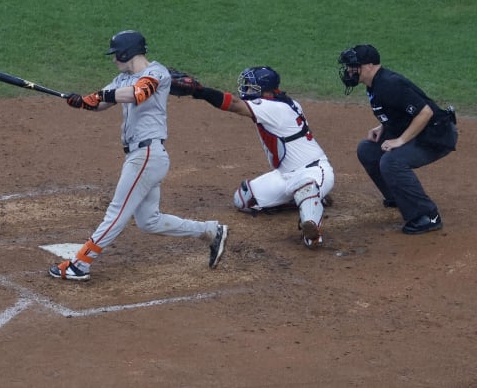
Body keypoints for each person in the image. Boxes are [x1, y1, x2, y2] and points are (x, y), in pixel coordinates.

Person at [49, 30, 228, 281]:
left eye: (115, 55)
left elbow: (138, 94)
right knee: (148, 221)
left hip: (146, 155)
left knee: (117, 212)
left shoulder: (156, 73)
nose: (113, 60)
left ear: (126, 52)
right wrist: (80, 101)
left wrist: (100, 95)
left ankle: (80, 264)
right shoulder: (122, 79)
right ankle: (210, 231)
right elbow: (100, 102)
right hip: (141, 156)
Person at [171, 66, 335, 248]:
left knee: (305, 187)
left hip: (314, 171)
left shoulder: (274, 108)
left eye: (251, 86)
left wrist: (200, 91)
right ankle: (309, 199)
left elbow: (233, 104)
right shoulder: (282, 102)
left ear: (264, 90)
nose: (246, 90)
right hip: (285, 175)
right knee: (243, 199)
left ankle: (312, 233)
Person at [338, 44, 458, 234]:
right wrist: (382, 127)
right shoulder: (375, 84)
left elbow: (425, 112)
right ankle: (399, 197)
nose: (349, 71)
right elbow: (398, 112)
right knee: (368, 150)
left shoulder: (389, 84)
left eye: (353, 66)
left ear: (369, 65)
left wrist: (400, 140)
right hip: (423, 130)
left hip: (437, 135)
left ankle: (426, 216)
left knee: (391, 161)